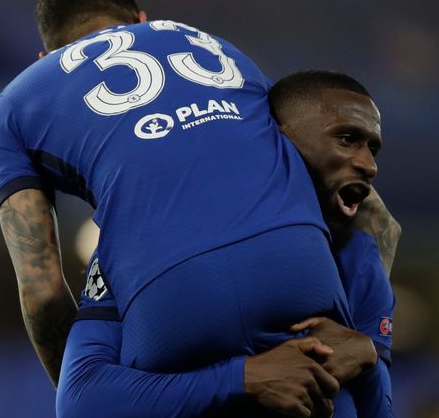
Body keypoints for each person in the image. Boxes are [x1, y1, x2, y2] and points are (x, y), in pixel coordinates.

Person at [0, 0, 378, 416]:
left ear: (45, 58)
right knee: (329, 388)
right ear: (143, 20)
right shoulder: (212, 44)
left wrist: (99, 395)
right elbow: (358, 200)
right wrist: (372, 339)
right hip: (298, 263)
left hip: (170, 291)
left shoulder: (14, 103)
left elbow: (42, 292)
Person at [57, 71, 400, 417]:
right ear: (275, 141)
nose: (368, 165)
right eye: (346, 139)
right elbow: (83, 400)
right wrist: (241, 379)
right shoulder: (144, 242)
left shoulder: (358, 258)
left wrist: (367, 359)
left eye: (373, 148)